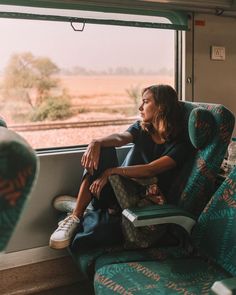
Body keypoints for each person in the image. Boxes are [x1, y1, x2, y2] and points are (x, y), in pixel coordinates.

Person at [49, 84, 190, 250]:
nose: (140, 107)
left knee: (88, 237)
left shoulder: (181, 145)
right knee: (104, 148)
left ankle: (85, 207)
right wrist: (97, 142)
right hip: (118, 191)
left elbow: (150, 169)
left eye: (145, 102)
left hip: (138, 202)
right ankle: (76, 215)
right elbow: (120, 138)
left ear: (161, 106)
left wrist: (112, 171)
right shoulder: (141, 128)